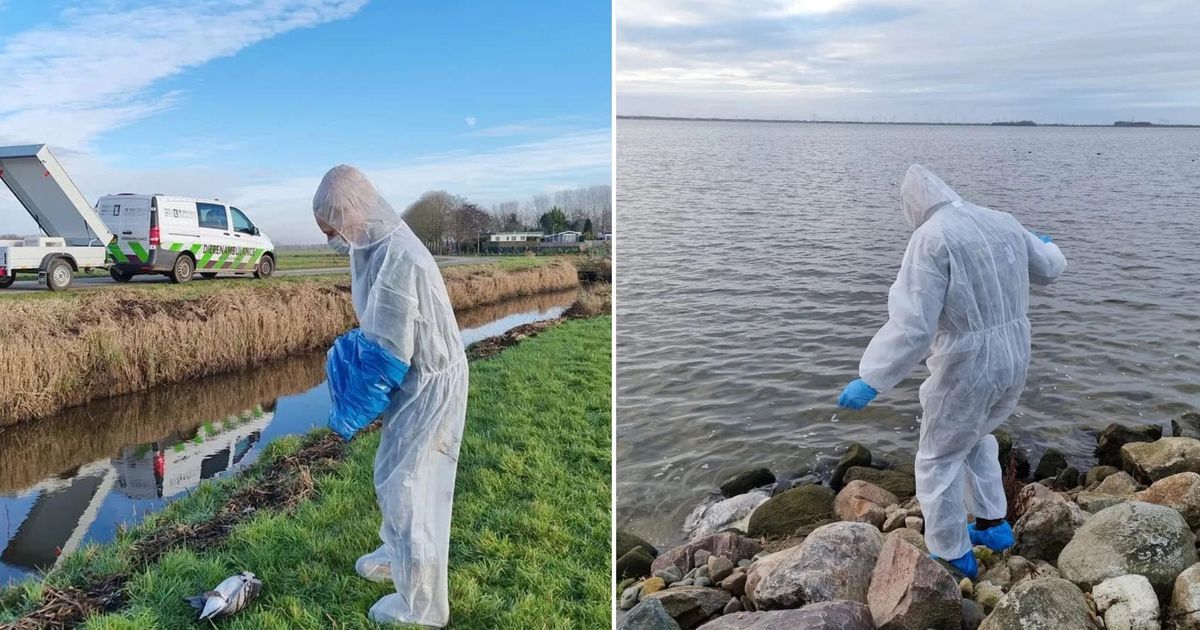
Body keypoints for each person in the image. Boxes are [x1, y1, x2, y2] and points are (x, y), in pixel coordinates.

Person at [837, 164, 1065, 579]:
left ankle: (951, 552)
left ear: (913, 205)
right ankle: (993, 524)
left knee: (937, 458)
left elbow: (913, 324)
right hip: (1014, 355)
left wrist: (872, 377)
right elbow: (1049, 269)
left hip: (968, 363)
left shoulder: (931, 238)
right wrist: (1048, 248)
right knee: (977, 436)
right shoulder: (1002, 221)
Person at [313, 165, 469, 627]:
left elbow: (390, 351)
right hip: (417, 378)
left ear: (352, 214)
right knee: (393, 472)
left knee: (407, 486)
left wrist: (354, 396)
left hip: (429, 383)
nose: (333, 241)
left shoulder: (400, 258)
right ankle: (396, 553)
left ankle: (421, 604)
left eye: (333, 231)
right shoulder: (372, 247)